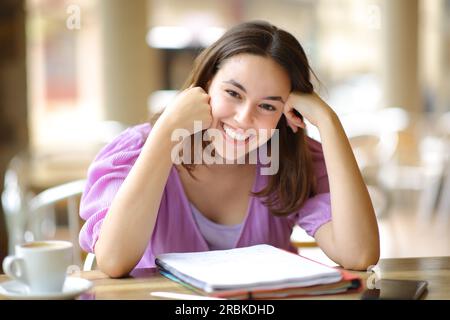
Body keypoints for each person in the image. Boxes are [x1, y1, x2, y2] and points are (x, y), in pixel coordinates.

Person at [79, 21, 380, 278]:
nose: (244, 118)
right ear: (207, 83)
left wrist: (328, 121)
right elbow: (114, 261)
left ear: (286, 111)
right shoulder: (135, 150)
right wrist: (167, 132)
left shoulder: (293, 160)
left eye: (267, 105)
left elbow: (360, 255)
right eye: (233, 93)